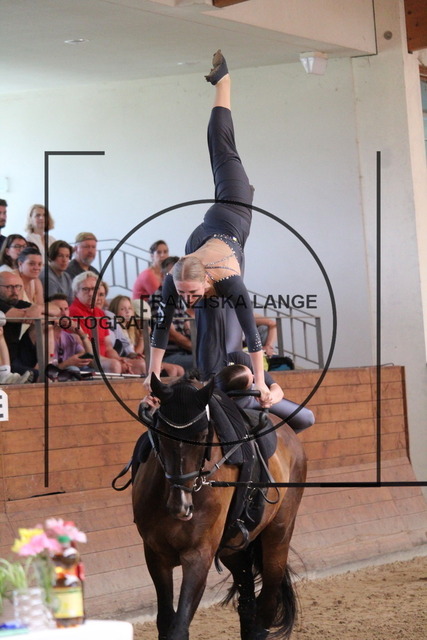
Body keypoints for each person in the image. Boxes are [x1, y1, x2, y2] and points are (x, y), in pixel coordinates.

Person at [145, 50, 271, 406]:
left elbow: (252, 334)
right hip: (209, 239)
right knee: (207, 312)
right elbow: (159, 329)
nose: (185, 299)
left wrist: (261, 382)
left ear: (202, 282)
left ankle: (224, 82)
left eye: (190, 293)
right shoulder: (176, 279)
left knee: (222, 148)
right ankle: (210, 371)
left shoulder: (230, 280)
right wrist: (151, 375)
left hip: (228, 212)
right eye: (182, 293)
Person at [216, 351, 315, 434]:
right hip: (229, 406)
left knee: (306, 417)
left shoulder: (238, 357)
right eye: (252, 379)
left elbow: (276, 389)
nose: (255, 376)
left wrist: (269, 398)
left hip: (255, 399)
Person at [149, 256, 194, 371]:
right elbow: (170, 333)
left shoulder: (178, 298)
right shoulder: (157, 298)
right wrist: (193, 347)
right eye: (172, 275)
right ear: (162, 276)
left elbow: (186, 327)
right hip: (167, 355)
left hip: (184, 352)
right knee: (202, 361)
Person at [0, 271, 47, 378]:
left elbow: (56, 310)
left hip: (16, 354)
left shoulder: (17, 303)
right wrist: (34, 313)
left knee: (44, 323)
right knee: (40, 377)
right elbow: (20, 315)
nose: (15, 291)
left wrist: (38, 308)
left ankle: (46, 364)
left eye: (18, 287)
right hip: (3, 360)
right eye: (9, 287)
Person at [47, 294, 94, 373]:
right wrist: (66, 364)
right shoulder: (42, 337)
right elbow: (42, 371)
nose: (64, 314)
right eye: (59, 309)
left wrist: (81, 334)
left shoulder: (70, 338)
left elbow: (91, 360)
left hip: (69, 377)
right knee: (73, 369)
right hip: (52, 378)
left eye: (66, 309)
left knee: (90, 371)